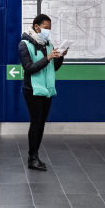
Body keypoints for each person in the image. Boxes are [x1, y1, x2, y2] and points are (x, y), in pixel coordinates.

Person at [18, 13, 67, 171]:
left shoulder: (48, 44)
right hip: (32, 90)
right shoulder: (24, 44)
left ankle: (35, 155)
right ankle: (32, 158)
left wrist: (60, 57)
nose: (48, 32)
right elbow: (29, 68)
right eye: (45, 28)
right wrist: (47, 58)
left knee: (41, 124)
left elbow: (53, 68)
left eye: (49, 29)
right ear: (36, 27)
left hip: (47, 90)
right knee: (36, 123)